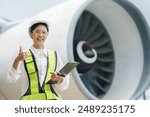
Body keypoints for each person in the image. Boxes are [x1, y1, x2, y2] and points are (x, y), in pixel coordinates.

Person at [7, 20, 70, 100]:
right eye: (37, 32)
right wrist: (17, 60)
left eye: (44, 32)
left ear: (47, 35)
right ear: (31, 34)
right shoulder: (23, 55)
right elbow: (11, 79)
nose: (40, 35)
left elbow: (64, 86)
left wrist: (58, 78)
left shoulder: (54, 55)